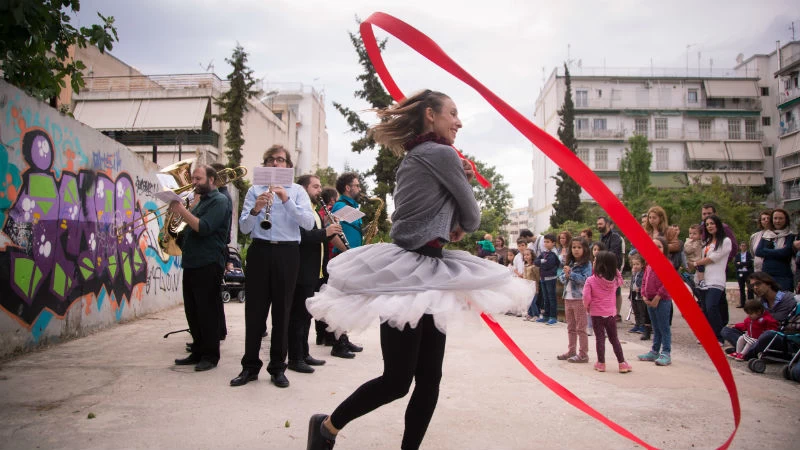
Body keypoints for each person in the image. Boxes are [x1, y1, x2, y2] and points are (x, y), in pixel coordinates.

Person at [305, 89, 534, 450]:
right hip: (413, 273)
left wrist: (455, 210)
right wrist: (462, 197)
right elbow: (472, 218)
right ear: (430, 114)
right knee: (407, 380)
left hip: (428, 269)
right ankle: (327, 428)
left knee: (420, 378)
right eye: (453, 113)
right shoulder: (442, 154)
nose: (458, 122)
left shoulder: (418, 154)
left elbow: (444, 217)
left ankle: (341, 432)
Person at [230, 145, 315, 388]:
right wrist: (257, 208)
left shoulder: (297, 191)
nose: (276, 164)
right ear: (265, 164)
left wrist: (286, 200)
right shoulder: (254, 189)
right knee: (254, 312)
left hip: (288, 253)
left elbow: (308, 223)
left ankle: (278, 367)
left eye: (281, 160)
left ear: (288, 165)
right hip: (260, 251)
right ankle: (249, 367)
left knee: (282, 311)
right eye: (271, 160)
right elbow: (245, 228)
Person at [170, 165, 232, 372]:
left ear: (211, 180)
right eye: (193, 178)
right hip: (192, 261)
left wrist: (181, 210)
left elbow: (203, 227)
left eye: (198, 178)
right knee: (193, 310)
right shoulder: (201, 200)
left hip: (208, 262)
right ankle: (197, 350)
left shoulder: (220, 201)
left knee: (207, 311)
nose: (193, 182)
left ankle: (210, 355)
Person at [286, 174, 342, 374]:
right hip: (301, 270)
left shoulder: (313, 211)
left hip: (313, 270)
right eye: (315, 187)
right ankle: (294, 358)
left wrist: (327, 223)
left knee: (306, 316)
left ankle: (304, 353)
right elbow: (301, 237)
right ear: (302, 188)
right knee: (298, 317)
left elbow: (316, 234)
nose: (320, 191)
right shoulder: (299, 209)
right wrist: (326, 232)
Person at [328, 173, 366, 358]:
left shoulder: (351, 207)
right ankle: (338, 344)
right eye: (357, 185)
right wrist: (348, 253)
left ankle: (343, 337)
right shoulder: (340, 206)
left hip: (352, 258)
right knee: (340, 301)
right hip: (345, 258)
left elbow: (354, 231)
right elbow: (333, 234)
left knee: (347, 301)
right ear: (348, 188)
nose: (359, 189)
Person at [720, 272, 798, 358]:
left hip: (778, 336)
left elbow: (779, 321)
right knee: (726, 330)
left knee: (767, 335)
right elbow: (752, 320)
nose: (755, 288)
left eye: (758, 284)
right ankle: (750, 351)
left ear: (769, 283)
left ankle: (746, 352)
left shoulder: (787, 299)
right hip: (758, 334)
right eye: (752, 286)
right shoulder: (760, 302)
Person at [583, 250, 632, 373]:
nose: (593, 262)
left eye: (595, 261)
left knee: (600, 338)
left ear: (599, 264)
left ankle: (601, 363)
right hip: (610, 314)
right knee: (614, 338)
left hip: (596, 313)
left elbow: (586, 297)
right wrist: (614, 269)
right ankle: (622, 363)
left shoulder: (591, 280)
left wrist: (586, 307)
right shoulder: (614, 281)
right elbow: (620, 279)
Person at [694, 215, 732, 344]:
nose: (709, 226)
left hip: (716, 279)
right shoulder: (706, 243)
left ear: (718, 224)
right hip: (704, 280)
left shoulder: (725, 241)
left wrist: (697, 262)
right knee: (704, 309)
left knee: (712, 307)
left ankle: (719, 336)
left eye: (712, 223)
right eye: (707, 224)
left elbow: (715, 257)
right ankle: (707, 335)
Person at [638, 236, 673, 366]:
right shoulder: (649, 264)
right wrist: (644, 296)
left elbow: (667, 283)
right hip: (650, 301)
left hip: (662, 300)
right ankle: (655, 350)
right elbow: (644, 281)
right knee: (656, 327)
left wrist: (658, 297)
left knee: (664, 327)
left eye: (659, 246)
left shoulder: (666, 264)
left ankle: (666, 352)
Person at [557, 237, 592, 363]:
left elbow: (586, 280)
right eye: (574, 247)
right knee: (570, 327)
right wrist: (565, 275)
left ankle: (583, 353)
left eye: (579, 247)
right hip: (568, 297)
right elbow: (561, 278)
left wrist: (571, 274)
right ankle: (571, 350)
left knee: (580, 328)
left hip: (579, 298)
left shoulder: (587, 264)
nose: (576, 250)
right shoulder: (570, 263)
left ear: (585, 249)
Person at [755, 208, 794, 292]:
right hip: (767, 274)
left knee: (783, 301)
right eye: (775, 218)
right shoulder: (767, 234)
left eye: (780, 218)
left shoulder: (790, 236)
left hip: (783, 275)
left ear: (786, 220)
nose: (777, 221)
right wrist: (778, 252)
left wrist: (766, 251)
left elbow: (785, 252)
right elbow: (758, 251)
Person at [597, 216, 623, 320]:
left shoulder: (615, 237)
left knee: (616, 291)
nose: (598, 226)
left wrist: (601, 257)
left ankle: (617, 313)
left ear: (607, 224)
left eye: (600, 224)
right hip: (603, 267)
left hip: (613, 267)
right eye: (598, 224)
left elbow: (613, 253)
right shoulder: (601, 237)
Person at [534, 233, 560, 325]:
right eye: (545, 242)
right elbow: (536, 262)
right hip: (543, 278)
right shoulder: (544, 253)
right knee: (545, 298)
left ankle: (553, 317)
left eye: (548, 242)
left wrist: (542, 263)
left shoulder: (554, 253)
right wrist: (542, 261)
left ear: (553, 243)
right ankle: (546, 316)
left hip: (551, 278)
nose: (546, 244)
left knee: (551, 298)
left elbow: (549, 264)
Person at [628, 253, 647, 335]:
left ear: (642, 265)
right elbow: (632, 284)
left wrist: (640, 289)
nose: (635, 266)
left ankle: (642, 326)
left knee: (641, 311)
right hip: (633, 295)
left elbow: (645, 283)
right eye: (634, 264)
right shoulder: (634, 273)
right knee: (635, 311)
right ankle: (637, 324)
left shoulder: (643, 273)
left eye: (637, 264)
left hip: (640, 295)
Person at [735, 241, 754, 309]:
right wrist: (744, 264)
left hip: (748, 273)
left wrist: (741, 263)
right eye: (742, 246)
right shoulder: (737, 255)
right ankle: (742, 303)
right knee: (741, 289)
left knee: (750, 288)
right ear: (740, 247)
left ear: (746, 247)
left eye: (744, 246)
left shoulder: (749, 254)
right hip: (740, 273)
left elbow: (749, 263)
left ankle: (751, 304)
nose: (743, 247)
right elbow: (736, 264)